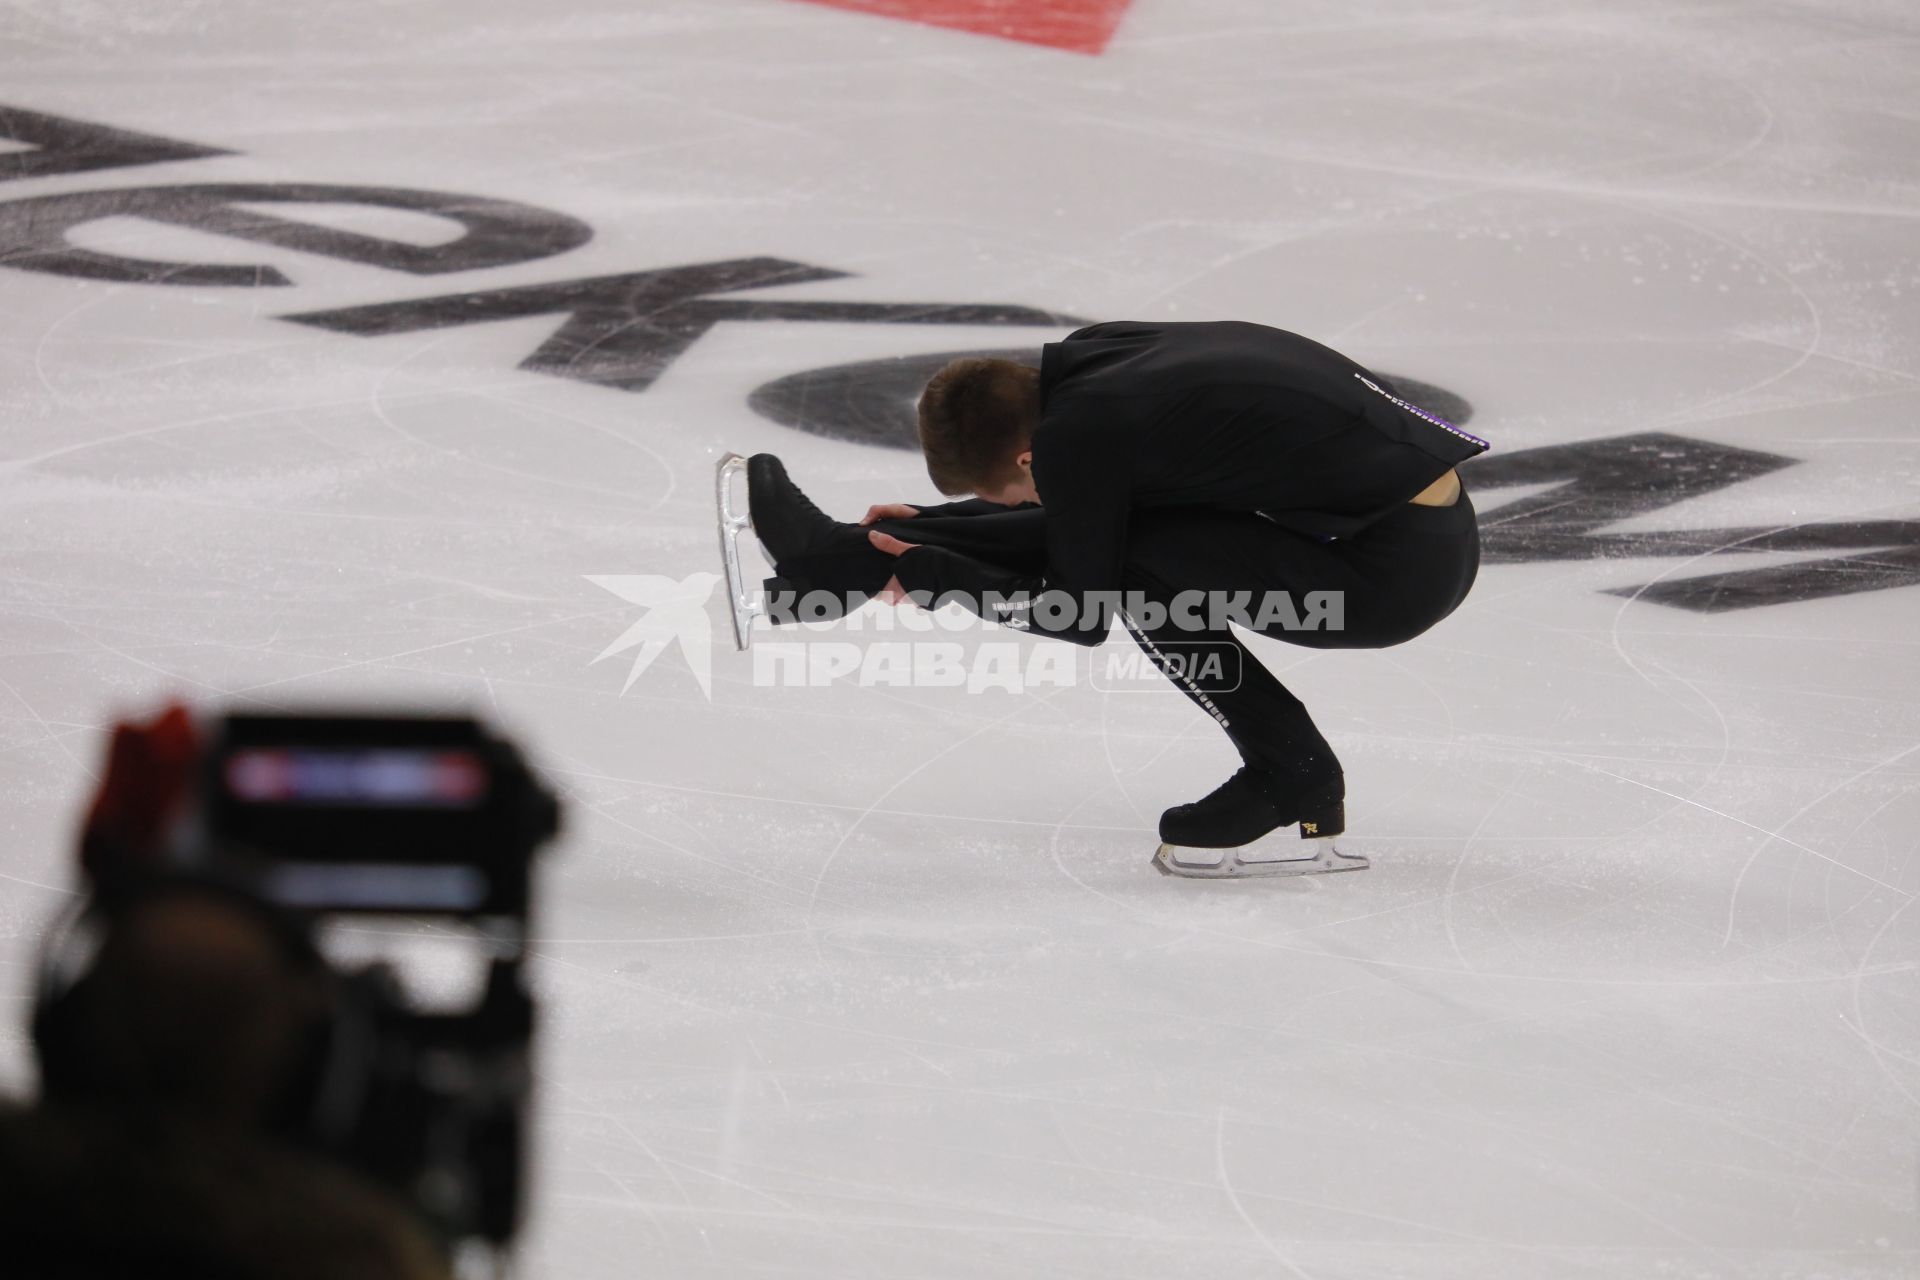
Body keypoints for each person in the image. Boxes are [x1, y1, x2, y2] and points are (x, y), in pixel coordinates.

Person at [741, 320, 1486, 876]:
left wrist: (938, 575)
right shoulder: (1092, 369)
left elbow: (1080, 610)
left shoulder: (1088, 429)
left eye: (1012, 490)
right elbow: (1080, 516)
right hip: (1404, 530)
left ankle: (1292, 773)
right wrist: (931, 530)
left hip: (1386, 576)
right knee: (1124, 538)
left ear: (1028, 455)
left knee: (1137, 572)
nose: (1026, 499)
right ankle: (838, 557)